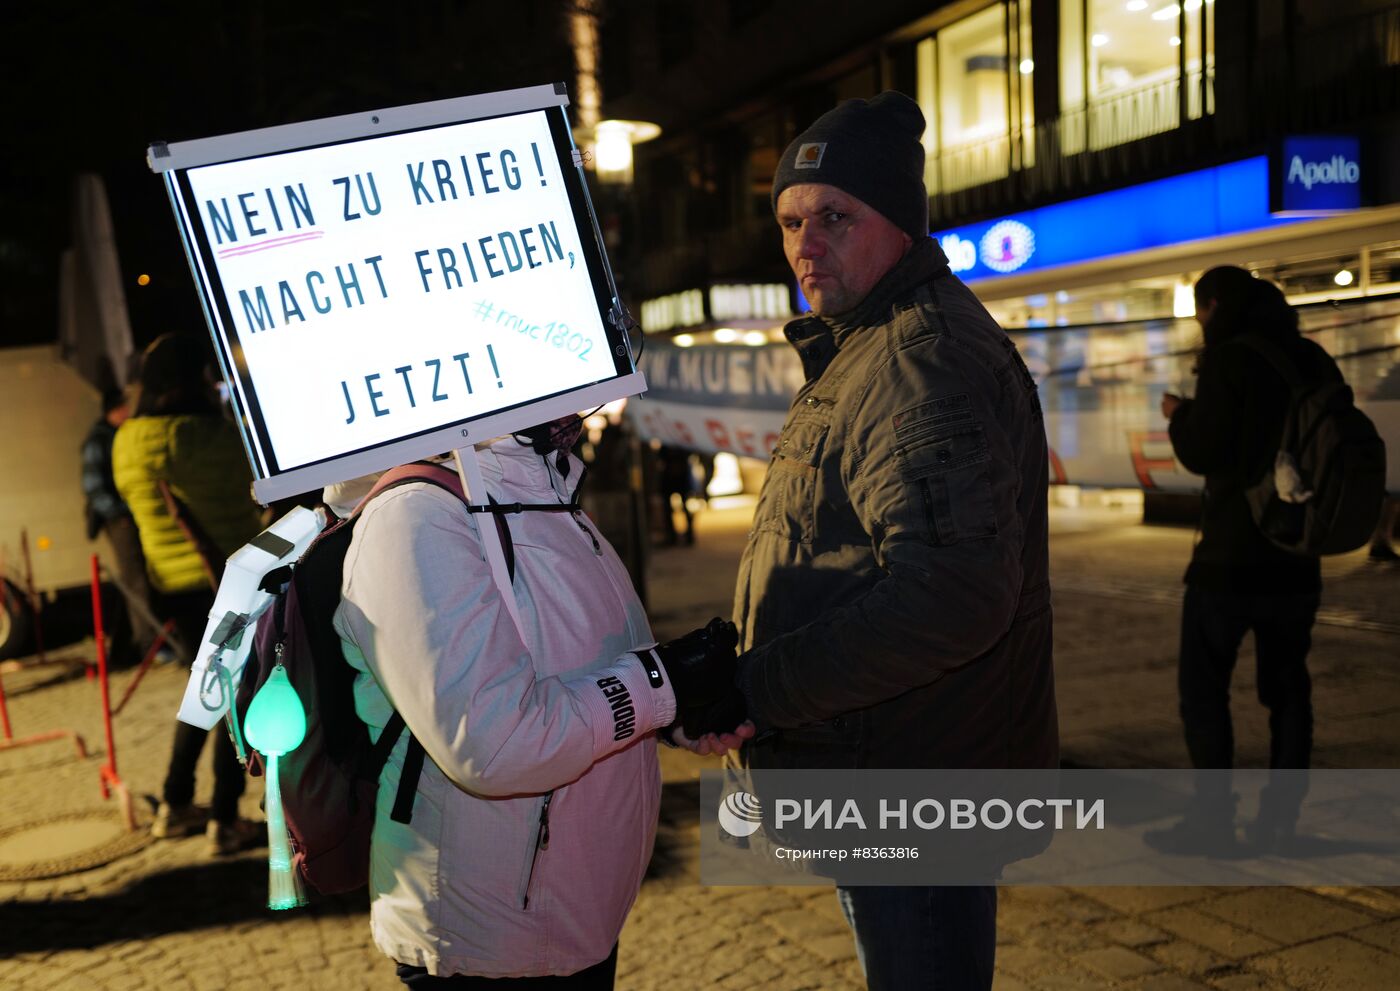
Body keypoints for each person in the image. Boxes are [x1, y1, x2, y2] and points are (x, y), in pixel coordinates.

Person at [719, 92, 1058, 990]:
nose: (805, 242)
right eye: (791, 219)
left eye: (835, 216)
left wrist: (761, 683)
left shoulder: (917, 362)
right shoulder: (869, 347)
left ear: (900, 226)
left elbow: (953, 592)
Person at [333, 414, 750, 986]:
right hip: (492, 940)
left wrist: (672, 714)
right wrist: (659, 683)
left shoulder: (537, 490)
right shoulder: (417, 516)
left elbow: (571, 663)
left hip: (567, 911)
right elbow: (495, 744)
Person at [1156, 267, 1344, 853]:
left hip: (1231, 558)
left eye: (1199, 310)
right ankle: (1281, 819)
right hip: (1296, 554)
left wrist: (1179, 416)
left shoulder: (1229, 360)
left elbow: (1205, 450)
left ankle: (1214, 819)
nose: (1199, 322)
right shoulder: (1311, 359)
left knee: (1204, 686)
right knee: (1288, 689)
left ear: (1215, 304)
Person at [112, 333, 265, 855]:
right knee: (232, 700)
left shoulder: (126, 442)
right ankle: (225, 817)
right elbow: (250, 492)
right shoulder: (210, 437)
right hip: (225, 581)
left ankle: (176, 803)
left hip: (171, 588)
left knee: (204, 692)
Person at [81, 387, 159, 666]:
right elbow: (93, 488)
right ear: (114, 410)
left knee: (142, 578)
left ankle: (139, 645)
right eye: (124, 407)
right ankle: (151, 647)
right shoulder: (99, 440)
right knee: (136, 580)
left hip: (129, 516)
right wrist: (120, 514)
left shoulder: (115, 435)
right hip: (119, 521)